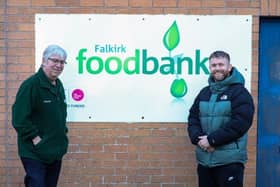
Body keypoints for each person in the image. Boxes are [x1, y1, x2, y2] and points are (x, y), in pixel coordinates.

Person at [187, 50, 254, 187]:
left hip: (229, 162)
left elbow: (240, 123)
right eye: (214, 65)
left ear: (229, 67)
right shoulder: (204, 93)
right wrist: (200, 140)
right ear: (210, 68)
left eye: (221, 65)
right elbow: (193, 118)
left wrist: (212, 140)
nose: (217, 68)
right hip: (205, 161)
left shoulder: (239, 92)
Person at [12, 44, 69, 187]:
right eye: (54, 60)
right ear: (44, 61)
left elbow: (60, 114)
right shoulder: (31, 85)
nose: (58, 65)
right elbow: (19, 119)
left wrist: (63, 134)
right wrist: (35, 138)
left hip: (55, 150)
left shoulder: (59, 85)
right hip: (34, 151)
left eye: (62, 62)